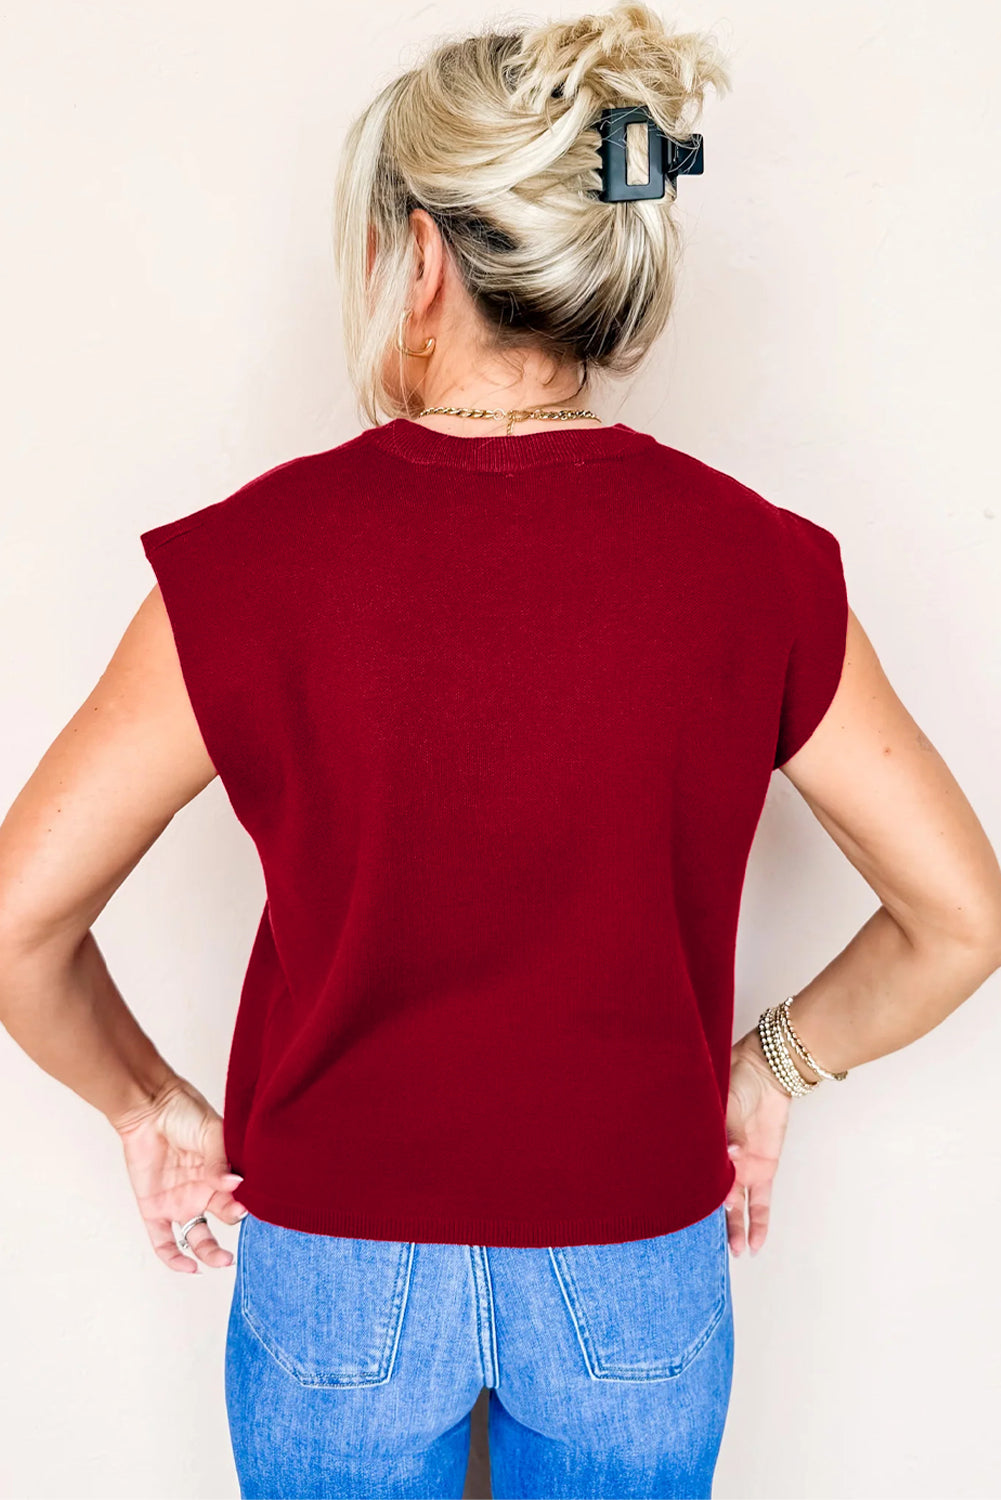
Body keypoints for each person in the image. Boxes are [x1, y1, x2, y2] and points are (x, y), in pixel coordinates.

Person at [2, 5, 1000, 1498]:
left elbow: (17, 922)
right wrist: (771, 1067)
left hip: (336, 1267)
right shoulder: (758, 566)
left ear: (420, 256)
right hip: (635, 1261)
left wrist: (149, 1105)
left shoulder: (246, 566)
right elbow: (961, 914)